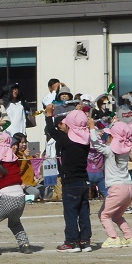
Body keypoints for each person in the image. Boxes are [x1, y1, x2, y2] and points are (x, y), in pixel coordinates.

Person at [44, 104, 91, 252]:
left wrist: (48, 114)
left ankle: (72, 242)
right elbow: (78, 127)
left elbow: (51, 130)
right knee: (84, 213)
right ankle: (85, 240)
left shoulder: (66, 140)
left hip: (71, 182)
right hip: (84, 181)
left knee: (70, 213)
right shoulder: (86, 141)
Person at [89, 120, 132, 248]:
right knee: (117, 216)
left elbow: (95, 143)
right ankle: (129, 237)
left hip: (117, 188)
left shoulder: (109, 151)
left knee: (104, 214)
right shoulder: (126, 151)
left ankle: (113, 237)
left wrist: (91, 129)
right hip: (128, 188)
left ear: (113, 138)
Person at [13, 133, 42, 201]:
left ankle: (33, 197)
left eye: (25, 142)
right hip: (23, 184)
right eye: (22, 143)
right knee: (36, 192)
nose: (24, 144)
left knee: (47, 192)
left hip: (32, 182)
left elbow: (36, 169)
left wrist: (37, 159)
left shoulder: (29, 154)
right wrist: (24, 157)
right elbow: (19, 171)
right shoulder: (15, 155)